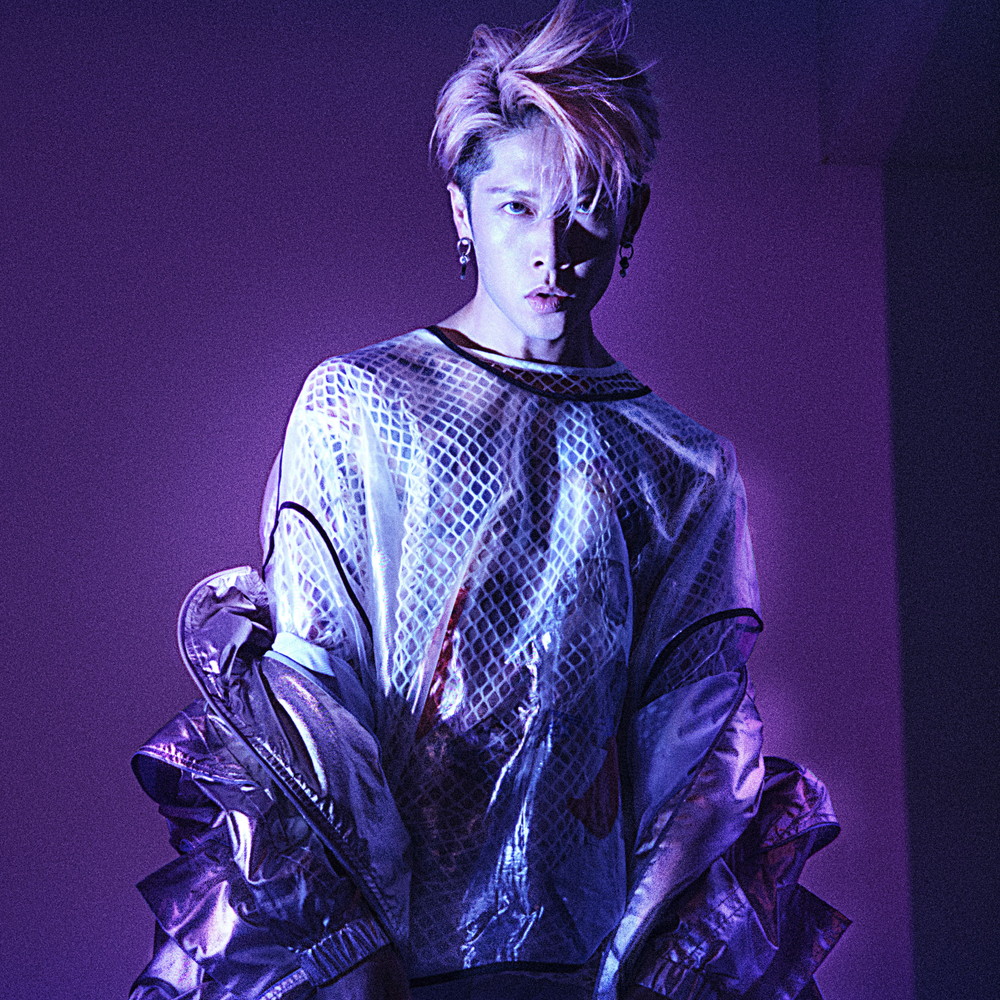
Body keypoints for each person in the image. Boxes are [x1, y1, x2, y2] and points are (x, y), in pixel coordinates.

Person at [128, 3, 849, 998]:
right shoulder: (361, 403)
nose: (553, 248)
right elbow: (315, 685)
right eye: (515, 207)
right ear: (462, 215)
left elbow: (690, 744)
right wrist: (359, 953)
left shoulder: (686, 465)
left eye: (587, 205)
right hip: (377, 953)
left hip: (589, 965)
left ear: (633, 218)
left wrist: (640, 972)